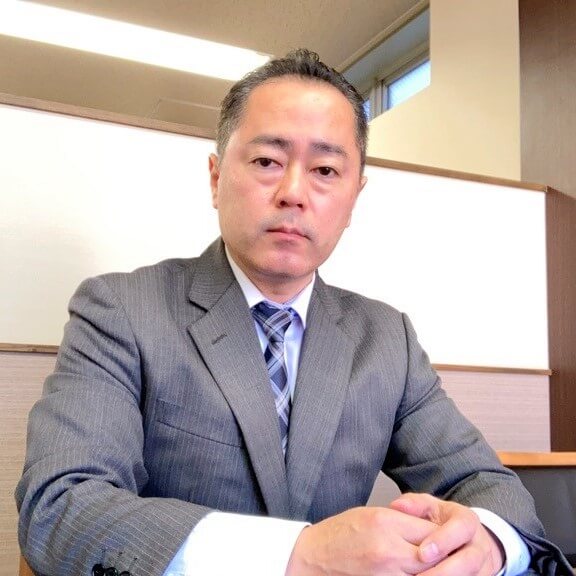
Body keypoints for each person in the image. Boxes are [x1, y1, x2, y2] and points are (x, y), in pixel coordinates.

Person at [16, 49, 570, 576]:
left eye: (326, 170)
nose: (294, 192)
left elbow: (487, 484)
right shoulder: (121, 310)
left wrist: (486, 541)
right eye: (266, 161)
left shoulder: (386, 339)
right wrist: (304, 554)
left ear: (354, 197)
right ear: (216, 178)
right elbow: (61, 506)